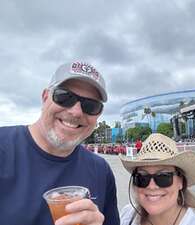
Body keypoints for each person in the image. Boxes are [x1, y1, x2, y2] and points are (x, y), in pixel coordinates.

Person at [0, 62, 119, 225]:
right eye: (65, 97)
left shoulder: (101, 171)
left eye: (90, 106)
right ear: (45, 97)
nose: (76, 112)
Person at [119, 133, 195, 225]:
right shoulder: (128, 215)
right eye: (142, 177)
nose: (152, 186)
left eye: (163, 177)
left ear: (181, 182)